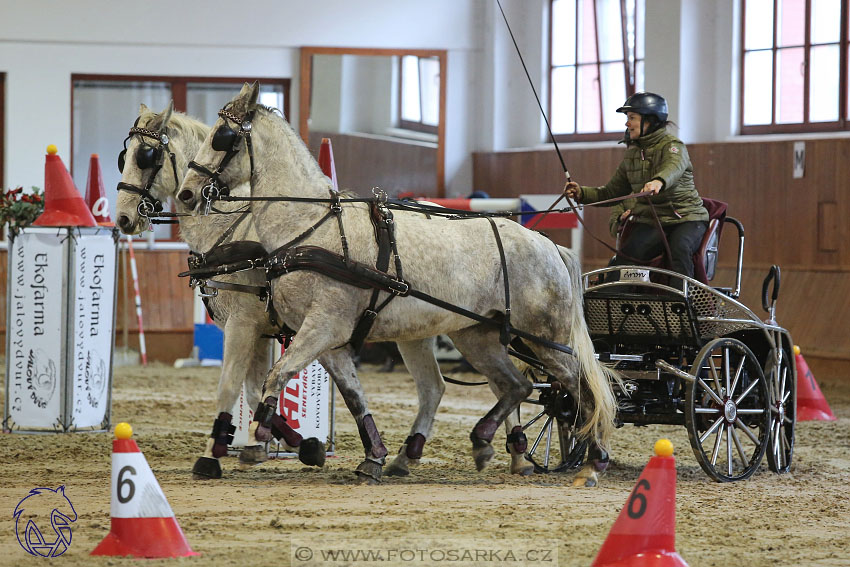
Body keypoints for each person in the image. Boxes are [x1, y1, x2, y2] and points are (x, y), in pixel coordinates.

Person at [565, 92, 708, 280]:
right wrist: (581, 194)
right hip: (653, 221)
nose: (627, 123)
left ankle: (682, 303)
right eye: (627, 118)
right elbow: (611, 192)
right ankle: (612, 301)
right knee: (627, 256)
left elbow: (674, 167)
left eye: (632, 118)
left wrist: (658, 181)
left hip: (687, 218)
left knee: (679, 248)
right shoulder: (631, 156)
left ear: (650, 120)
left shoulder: (673, 146)